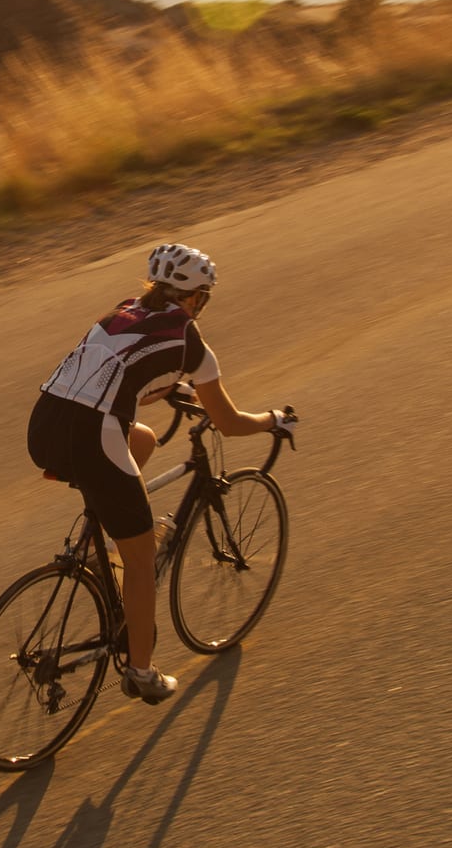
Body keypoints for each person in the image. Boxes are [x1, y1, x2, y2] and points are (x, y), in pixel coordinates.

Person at [28, 241, 291, 705]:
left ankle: (94, 542)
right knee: (141, 560)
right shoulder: (192, 344)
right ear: (195, 298)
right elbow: (228, 424)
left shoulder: (124, 311)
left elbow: (131, 377)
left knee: (143, 439)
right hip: (92, 437)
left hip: (45, 423)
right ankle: (142, 673)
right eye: (203, 298)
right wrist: (272, 420)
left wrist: (172, 387)